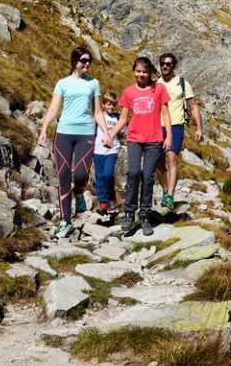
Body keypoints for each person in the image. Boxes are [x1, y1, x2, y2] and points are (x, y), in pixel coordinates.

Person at [36, 48, 110, 239]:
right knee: (63, 178)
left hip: (86, 134)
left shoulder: (93, 83)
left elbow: (98, 111)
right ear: (74, 61)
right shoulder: (63, 83)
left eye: (89, 61)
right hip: (64, 134)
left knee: (80, 174)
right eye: (84, 60)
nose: (87, 64)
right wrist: (44, 129)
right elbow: (53, 108)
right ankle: (65, 221)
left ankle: (79, 192)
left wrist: (106, 133)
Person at [106, 57, 171, 236]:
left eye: (144, 71)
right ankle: (129, 212)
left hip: (154, 139)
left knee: (148, 176)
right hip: (134, 138)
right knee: (133, 173)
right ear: (134, 71)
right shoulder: (128, 92)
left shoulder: (159, 89)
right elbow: (123, 118)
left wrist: (169, 136)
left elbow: (166, 114)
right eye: (138, 71)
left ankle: (145, 214)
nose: (141, 74)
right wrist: (110, 135)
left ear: (149, 72)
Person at [153, 52, 204, 211]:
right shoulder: (155, 84)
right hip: (157, 126)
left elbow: (193, 106)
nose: (165, 66)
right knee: (158, 162)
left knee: (171, 157)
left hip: (176, 126)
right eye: (162, 63)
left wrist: (199, 128)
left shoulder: (182, 83)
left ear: (173, 65)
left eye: (168, 64)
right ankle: (165, 190)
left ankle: (170, 195)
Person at [92, 94, 122, 214]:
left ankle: (112, 199)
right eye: (109, 104)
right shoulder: (98, 116)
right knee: (99, 177)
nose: (111, 107)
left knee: (108, 174)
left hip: (112, 150)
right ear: (103, 105)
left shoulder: (118, 118)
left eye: (114, 104)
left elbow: (124, 131)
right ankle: (103, 203)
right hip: (98, 150)